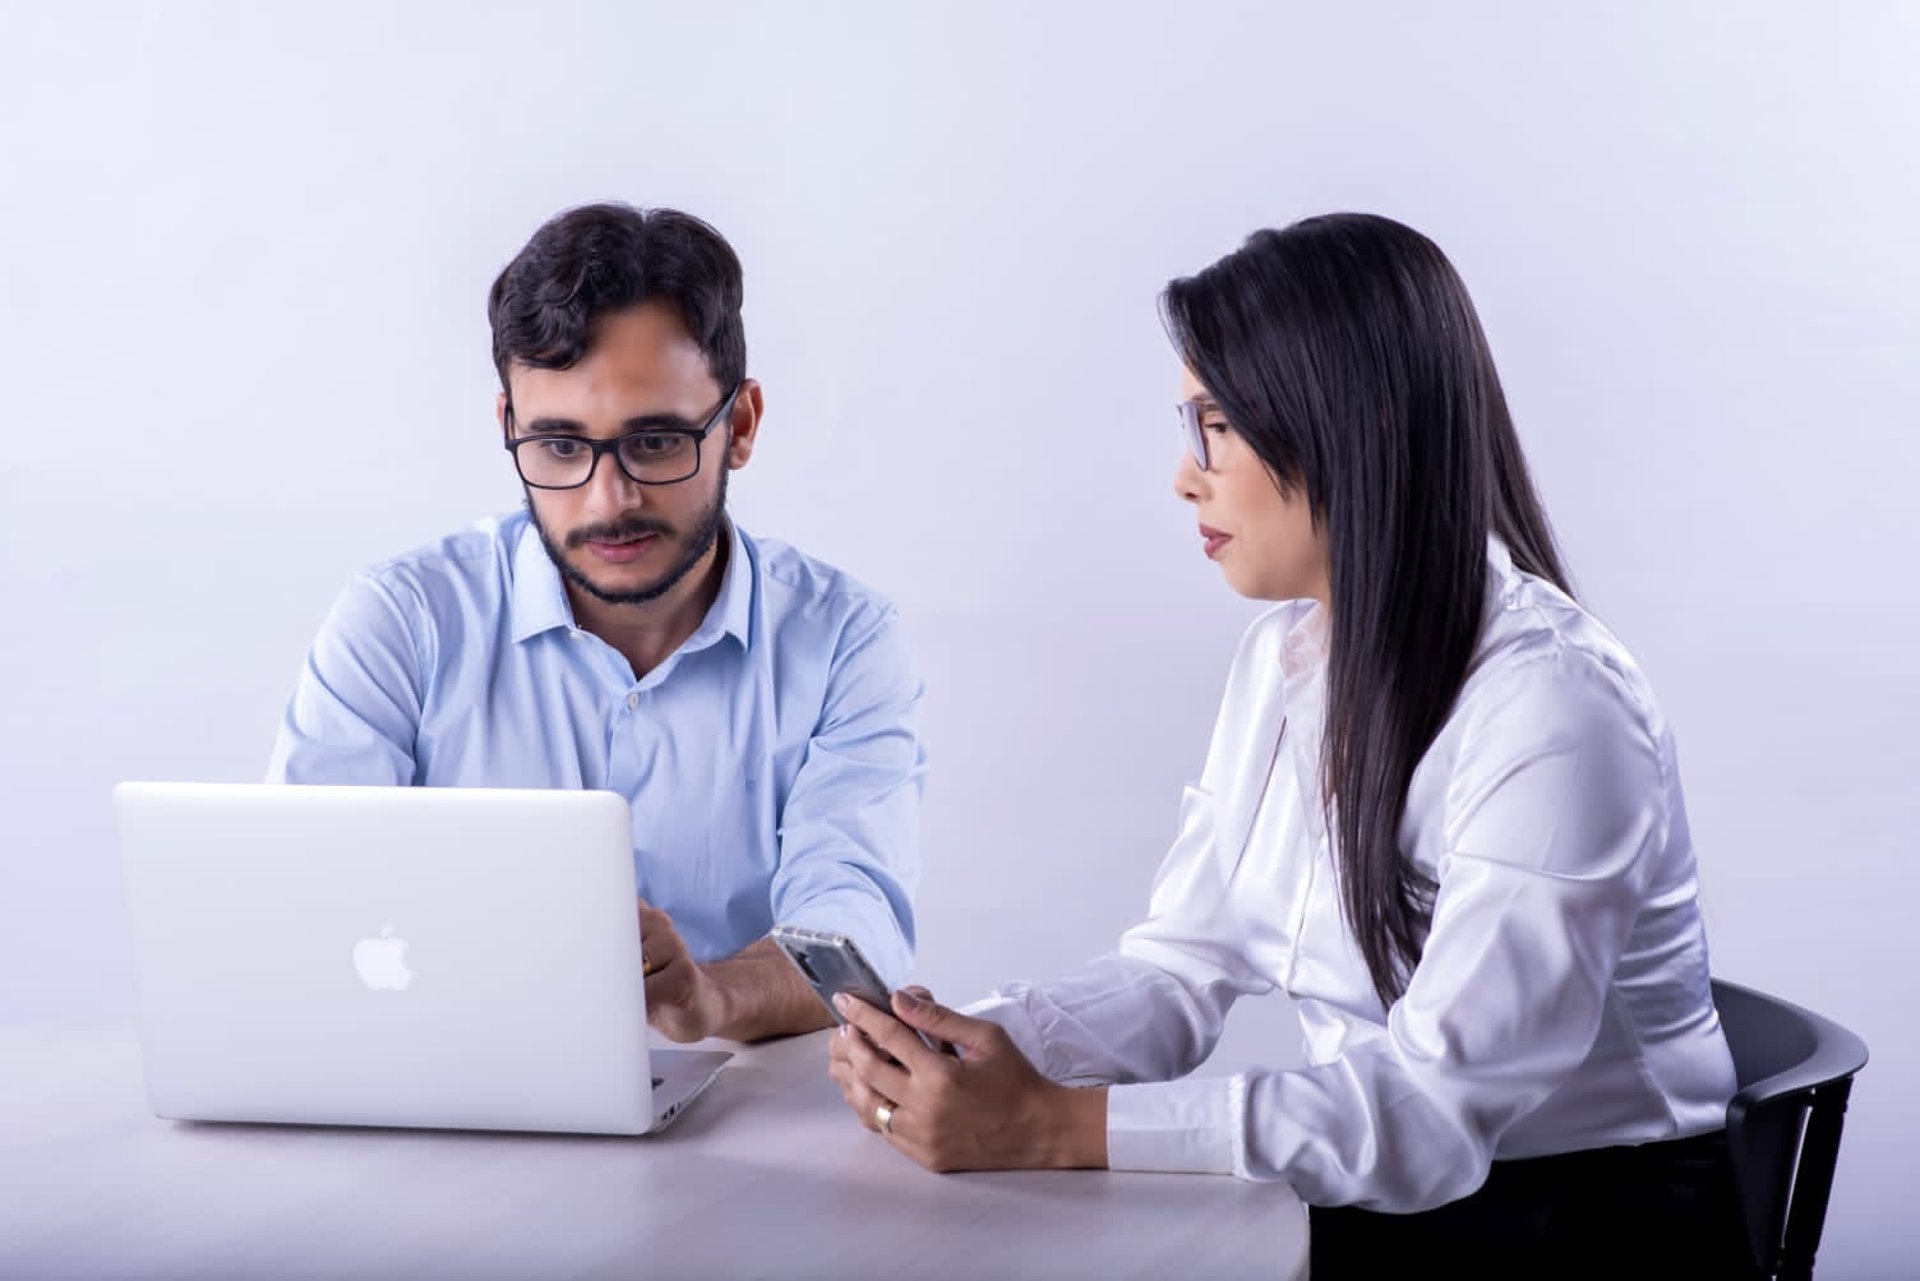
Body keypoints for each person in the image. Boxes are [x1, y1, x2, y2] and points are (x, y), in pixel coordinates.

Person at [827, 213, 1747, 1276]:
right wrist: (967, 1045)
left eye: (1215, 425)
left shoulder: (1556, 708)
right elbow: (1180, 970)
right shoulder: (1284, 663)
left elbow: (1434, 1113)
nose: (1185, 474)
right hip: (1384, 1197)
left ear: (1341, 429)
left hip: (1587, 1221)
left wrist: (1049, 1128)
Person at [270, 202, 926, 1045]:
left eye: (654, 442)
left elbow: (851, 923)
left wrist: (709, 997)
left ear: (743, 425)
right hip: (448, 1092)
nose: (606, 499)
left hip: (739, 1119)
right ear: (510, 429)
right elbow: (300, 901)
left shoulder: (845, 640)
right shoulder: (403, 621)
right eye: (558, 446)